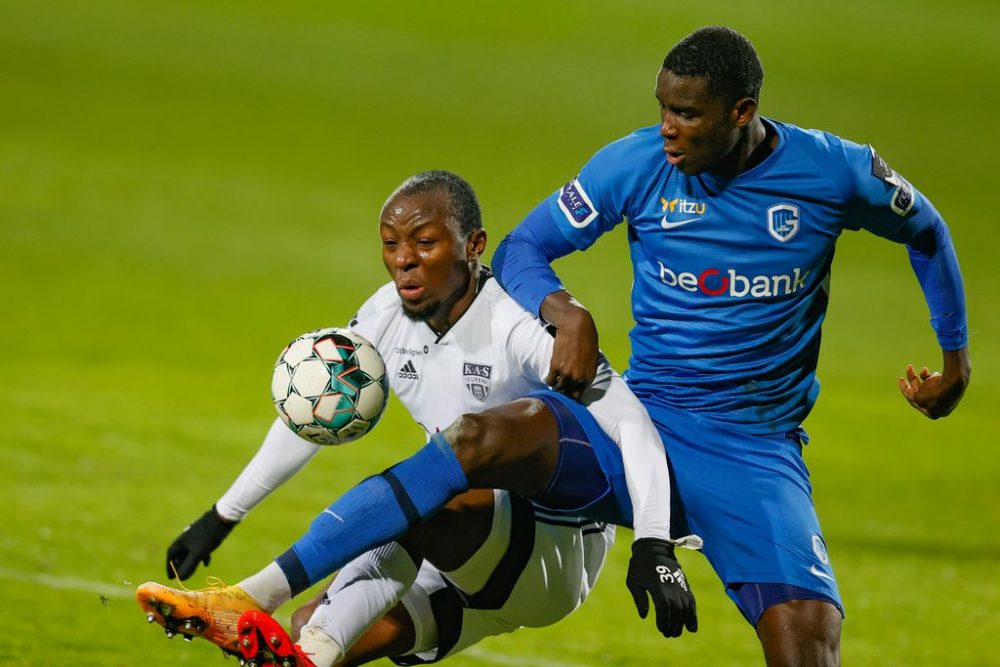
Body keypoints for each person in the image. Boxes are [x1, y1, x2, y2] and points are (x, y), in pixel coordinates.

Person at [489, 25, 971, 667]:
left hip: (753, 447)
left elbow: (927, 229)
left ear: (741, 112)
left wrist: (956, 360)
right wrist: (566, 313)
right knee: (474, 448)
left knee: (808, 635)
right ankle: (325, 631)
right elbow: (521, 248)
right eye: (662, 108)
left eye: (686, 113)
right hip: (639, 421)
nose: (667, 127)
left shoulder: (833, 171)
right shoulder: (634, 165)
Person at [137, 170, 696, 666]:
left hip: (550, 550)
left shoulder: (519, 322)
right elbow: (313, 411)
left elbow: (629, 423)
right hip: (458, 547)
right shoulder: (383, 316)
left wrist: (654, 542)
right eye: (390, 244)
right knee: (314, 635)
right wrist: (222, 516)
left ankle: (252, 595)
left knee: (446, 472)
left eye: (424, 242)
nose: (404, 258)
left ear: (473, 245)